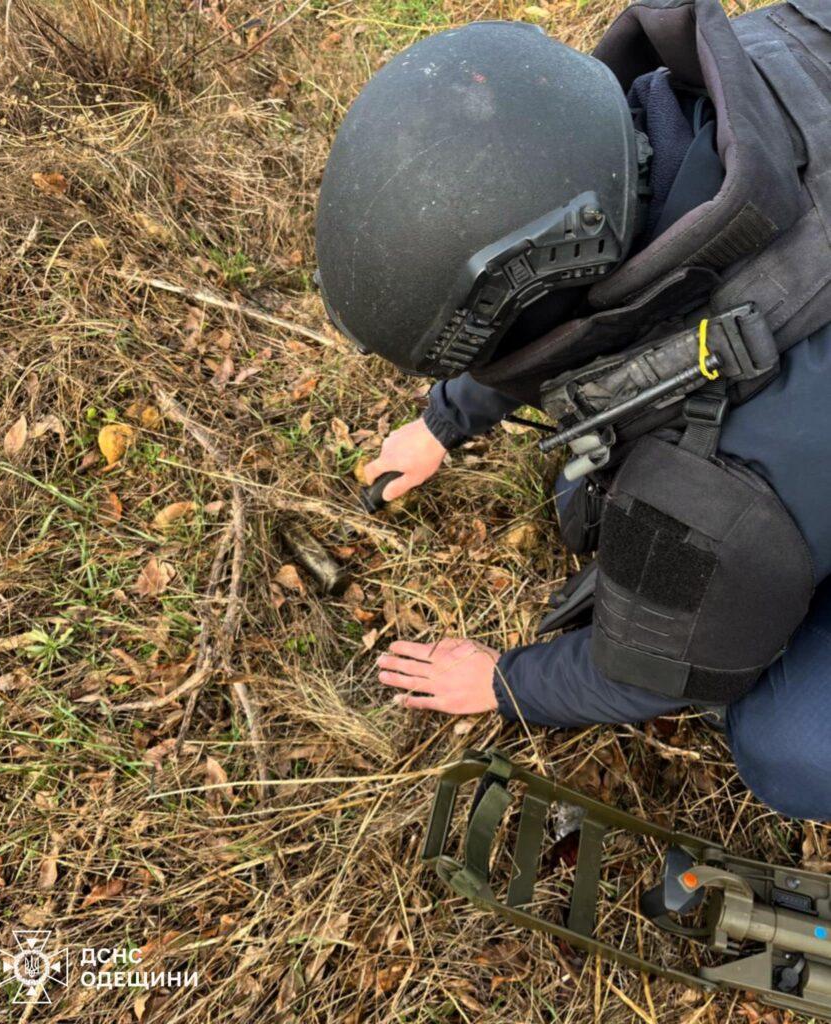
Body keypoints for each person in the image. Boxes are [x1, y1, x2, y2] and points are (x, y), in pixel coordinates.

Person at [314, 1, 831, 820]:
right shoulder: (761, 65)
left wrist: (502, 681)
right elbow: (603, 298)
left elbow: (641, 670)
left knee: (796, 747)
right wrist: (447, 418)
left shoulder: (720, 492)